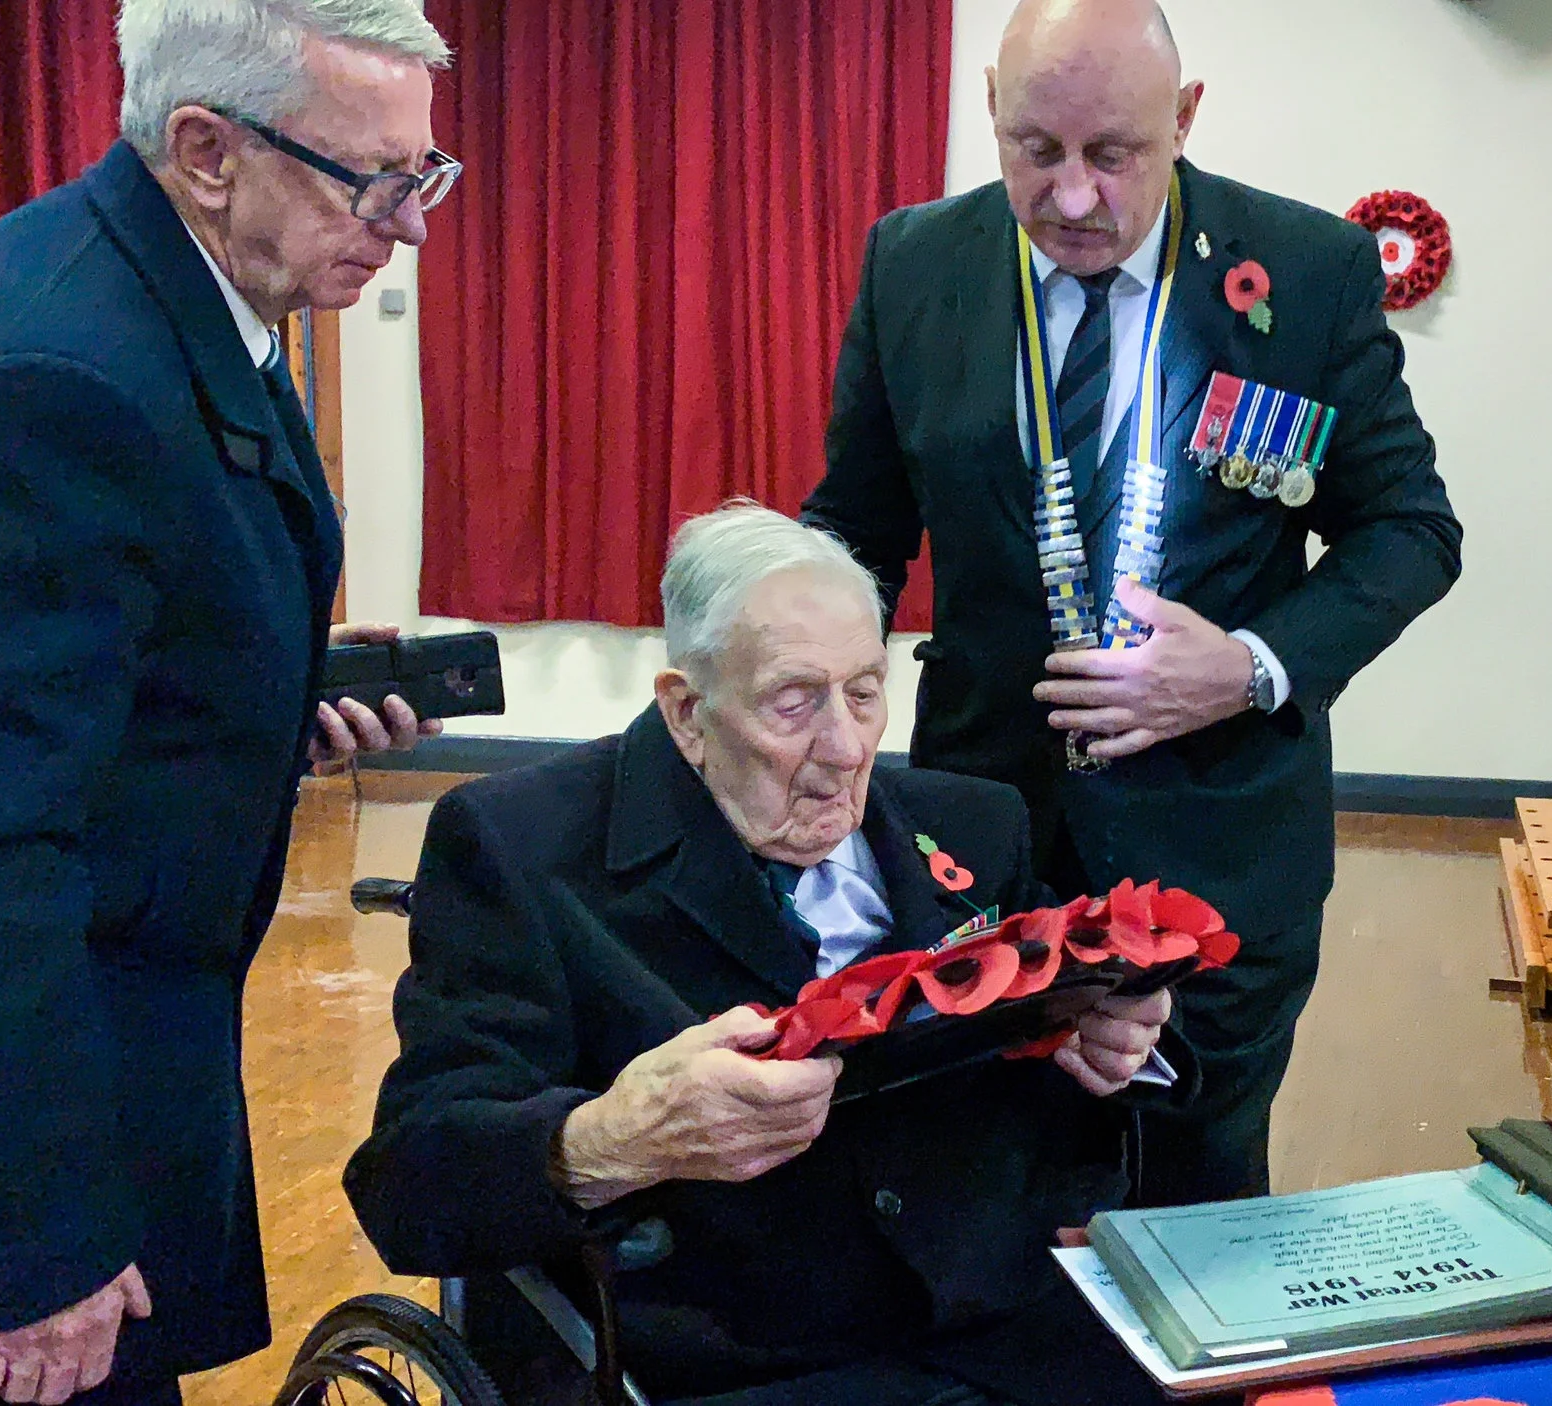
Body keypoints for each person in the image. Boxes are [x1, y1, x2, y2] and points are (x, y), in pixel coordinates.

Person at [804, 0, 1461, 1206]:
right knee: (983, 1182)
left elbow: (1410, 531)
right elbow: (856, 528)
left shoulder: (1305, 275)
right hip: (984, 834)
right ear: (990, 117)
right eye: (1034, 152)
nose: (1068, 198)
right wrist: (791, 669)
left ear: (1185, 120)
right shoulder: (915, 264)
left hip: (1220, 845)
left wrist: (1252, 662)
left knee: (1194, 1190)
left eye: (1112, 155)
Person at [0, 2, 454, 1400]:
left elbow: (96, 676)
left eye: (424, 174)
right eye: (376, 180)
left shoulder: (182, 304)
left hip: (110, 1068)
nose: (411, 224)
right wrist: (39, 1250)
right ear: (206, 149)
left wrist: (260, 704)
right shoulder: (48, 377)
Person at [346, 505, 1189, 1406]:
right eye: (795, 702)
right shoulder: (522, 848)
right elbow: (410, 1181)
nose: (846, 747)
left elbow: (1056, 1116)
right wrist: (614, 1139)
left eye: (865, 693)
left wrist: (1109, 1053)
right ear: (687, 713)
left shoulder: (978, 824)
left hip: (1001, 1343)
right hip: (732, 1366)